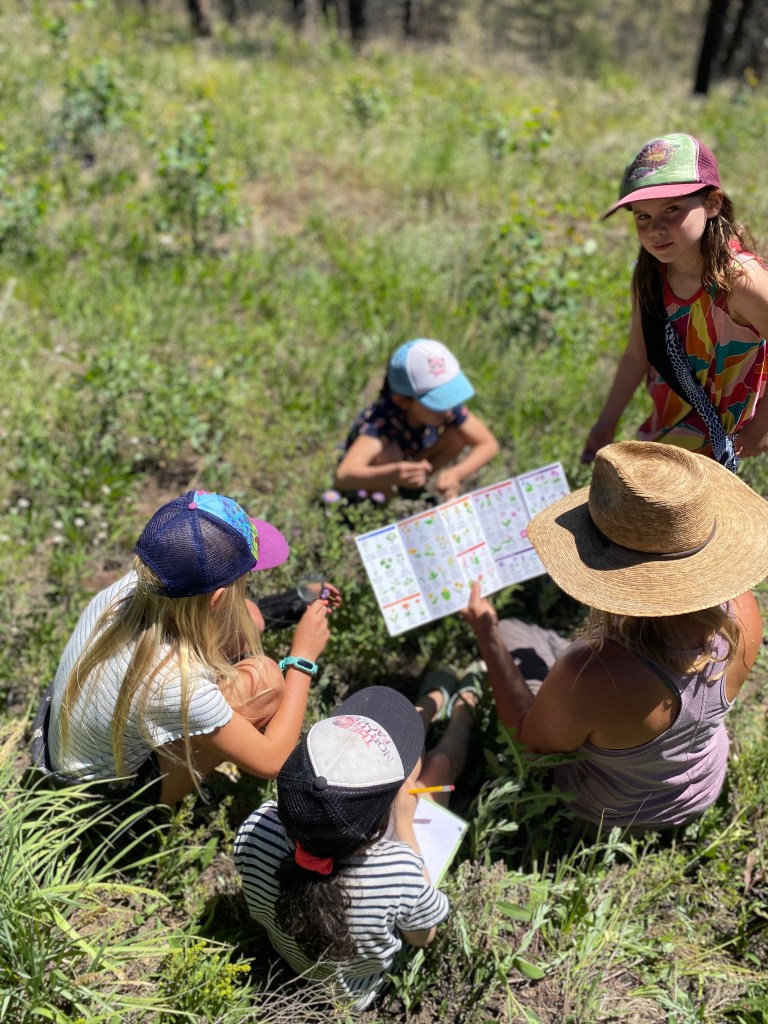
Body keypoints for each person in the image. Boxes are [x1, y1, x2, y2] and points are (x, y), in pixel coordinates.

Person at [461, 441, 768, 831]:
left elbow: (530, 743)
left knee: (513, 633)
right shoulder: (743, 611)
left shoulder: (590, 672)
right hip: (701, 789)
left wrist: (487, 635)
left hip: (615, 813)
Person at [37, 490, 335, 805]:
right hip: (104, 804)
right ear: (218, 599)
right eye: (244, 581)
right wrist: (303, 658)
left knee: (247, 621)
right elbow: (273, 760)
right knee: (263, 679)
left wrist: (293, 603)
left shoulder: (134, 588)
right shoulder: (175, 684)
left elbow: (236, 616)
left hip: (58, 749)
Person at [233, 676, 479, 1012]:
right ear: (380, 821)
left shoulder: (258, 827)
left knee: (415, 767)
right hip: (353, 995)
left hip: (292, 961)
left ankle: (436, 700)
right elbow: (424, 936)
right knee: (438, 767)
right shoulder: (398, 872)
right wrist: (405, 825)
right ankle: (462, 709)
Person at [582, 133, 768, 466]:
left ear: (712, 203)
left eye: (672, 209)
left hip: (728, 446)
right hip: (669, 436)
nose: (656, 229)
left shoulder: (740, 281)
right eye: (643, 216)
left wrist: (760, 429)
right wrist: (606, 422)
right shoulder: (650, 274)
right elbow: (637, 353)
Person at [334, 338, 499, 502]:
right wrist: (392, 474)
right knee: (387, 454)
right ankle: (389, 503)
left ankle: (413, 489)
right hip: (386, 472)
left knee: (457, 436)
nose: (448, 410)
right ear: (403, 401)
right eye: (438, 402)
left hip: (412, 459)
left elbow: (488, 444)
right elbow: (343, 475)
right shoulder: (382, 421)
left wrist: (455, 474)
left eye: (449, 396)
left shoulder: (445, 408)